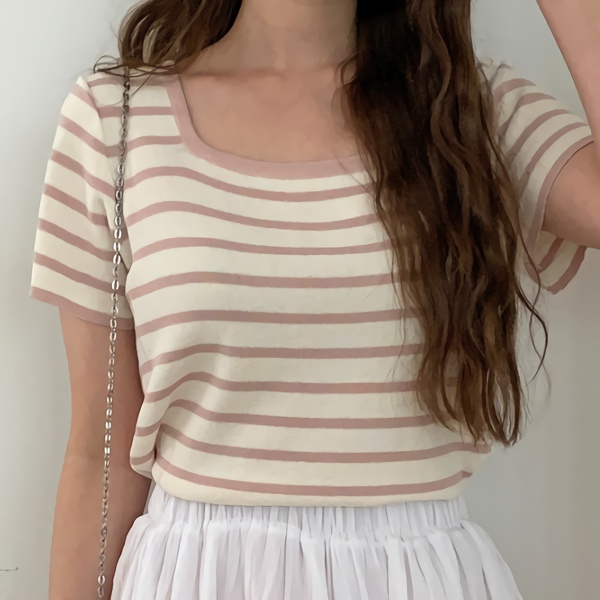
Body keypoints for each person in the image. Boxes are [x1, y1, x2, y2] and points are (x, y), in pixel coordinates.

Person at [29, 0, 600, 598]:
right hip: (197, 577)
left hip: (418, 580)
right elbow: (100, 452)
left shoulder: (466, 109)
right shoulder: (117, 118)